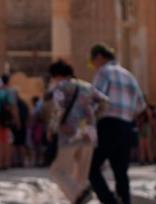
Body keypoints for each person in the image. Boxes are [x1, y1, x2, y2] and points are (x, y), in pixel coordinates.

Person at [87, 44, 146, 204]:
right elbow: (141, 105)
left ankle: (109, 201)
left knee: (90, 167)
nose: (93, 66)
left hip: (108, 124)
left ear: (99, 57)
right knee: (121, 171)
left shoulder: (104, 72)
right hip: (126, 126)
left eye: (92, 62)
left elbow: (96, 97)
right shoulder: (129, 76)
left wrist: (87, 117)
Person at [48, 60, 109, 204]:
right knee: (81, 175)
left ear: (56, 75)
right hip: (89, 132)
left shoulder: (61, 87)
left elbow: (58, 109)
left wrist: (53, 128)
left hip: (70, 132)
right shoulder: (87, 86)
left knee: (58, 171)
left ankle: (80, 195)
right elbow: (105, 102)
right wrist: (93, 118)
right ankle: (81, 195)